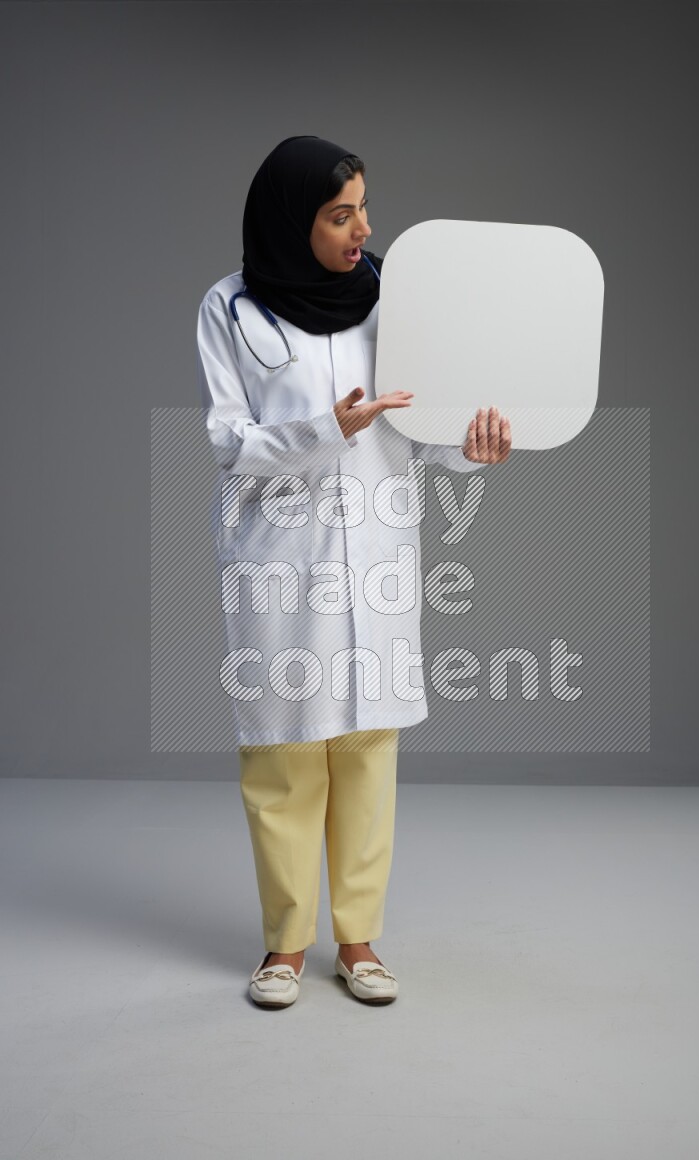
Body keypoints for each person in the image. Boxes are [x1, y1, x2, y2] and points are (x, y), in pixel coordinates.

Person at [196, 135, 511, 1009]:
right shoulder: (230, 309)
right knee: (285, 756)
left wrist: (474, 449)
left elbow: (424, 432)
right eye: (341, 215)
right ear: (291, 221)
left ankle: (360, 941)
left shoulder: (393, 301)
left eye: (365, 208)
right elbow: (229, 442)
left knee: (369, 751)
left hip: (376, 552)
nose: (364, 229)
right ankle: (285, 947)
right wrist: (326, 430)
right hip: (279, 558)